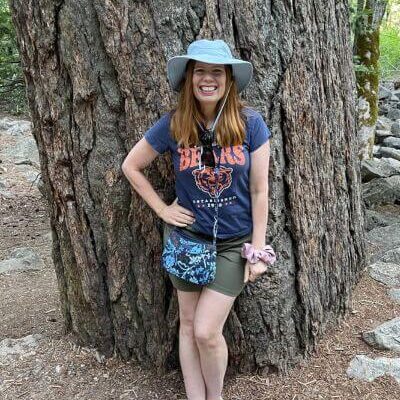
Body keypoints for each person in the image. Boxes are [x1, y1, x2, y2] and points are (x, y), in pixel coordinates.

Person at [122, 39, 272, 400]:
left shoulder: (251, 124)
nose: (208, 79)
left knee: (206, 330)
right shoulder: (174, 125)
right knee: (188, 325)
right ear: (189, 78)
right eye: (200, 71)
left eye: (216, 72)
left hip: (233, 245)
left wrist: (259, 249)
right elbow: (131, 165)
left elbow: (259, 191)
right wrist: (162, 209)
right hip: (187, 240)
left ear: (228, 79)